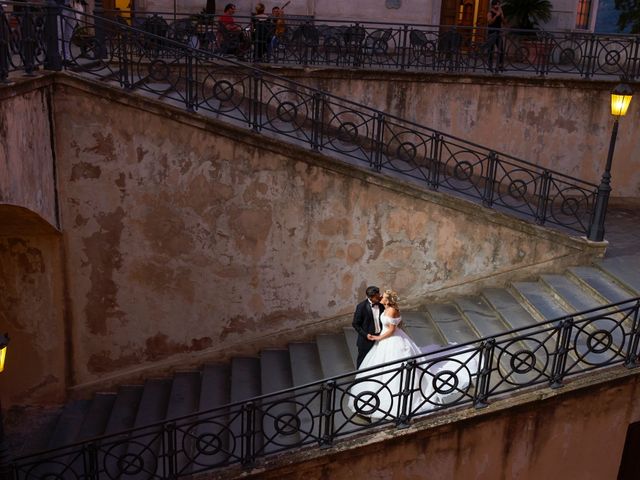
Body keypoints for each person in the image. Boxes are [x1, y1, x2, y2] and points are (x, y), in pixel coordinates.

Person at [349, 289, 433, 420]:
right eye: (379, 295)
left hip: (390, 339)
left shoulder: (391, 310)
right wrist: (368, 335)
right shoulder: (370, 306)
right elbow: (356, 323)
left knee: (393, 366)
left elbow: (392, 330)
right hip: (375, 339)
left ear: (387, 300)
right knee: (370, 363)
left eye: (383, 296)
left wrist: (378, 338)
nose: (381, 296)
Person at [352, 285, 385, 368]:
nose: (379, 298)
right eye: (376, 297)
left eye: (379, 295)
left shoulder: (382, 304)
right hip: (366, 340)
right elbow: (355, 324)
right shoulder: (361, 307)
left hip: (381, 338)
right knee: (362, 362)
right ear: (370, 297)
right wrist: (366, 335)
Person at [486, 0, 505, 72]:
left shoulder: (500, 12)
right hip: (491, 33)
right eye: (497, 5)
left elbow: (504, 22)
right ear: (493, 5)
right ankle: (490, 66)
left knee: (501, 49)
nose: (498, 6)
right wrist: (496, 16)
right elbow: (489, 22)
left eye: (499, 5)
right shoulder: (490, 13)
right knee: (491, 50)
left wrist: (501, 15)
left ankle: (500, 66)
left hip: (498, 33)